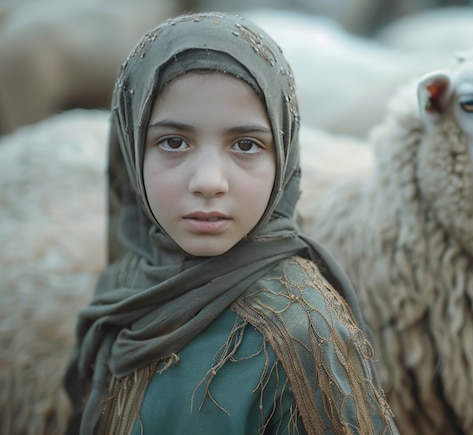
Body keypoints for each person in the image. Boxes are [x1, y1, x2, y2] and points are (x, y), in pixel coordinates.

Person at [63, 11, 398, 435]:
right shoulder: (128, 282)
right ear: (131, 149)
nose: (208, 182)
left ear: (283, 152)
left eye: (245, 144)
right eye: (173, 142)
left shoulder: (301, 333)